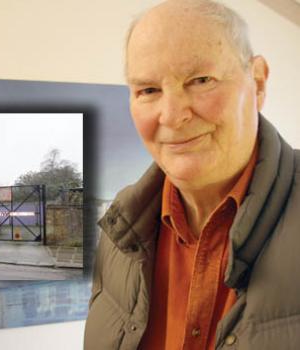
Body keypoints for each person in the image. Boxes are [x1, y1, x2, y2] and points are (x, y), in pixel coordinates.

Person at [84, 0, 300, 349]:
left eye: (201, 80)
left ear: (257, 83)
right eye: (149, 90)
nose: (171, 115)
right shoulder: (119, 230)